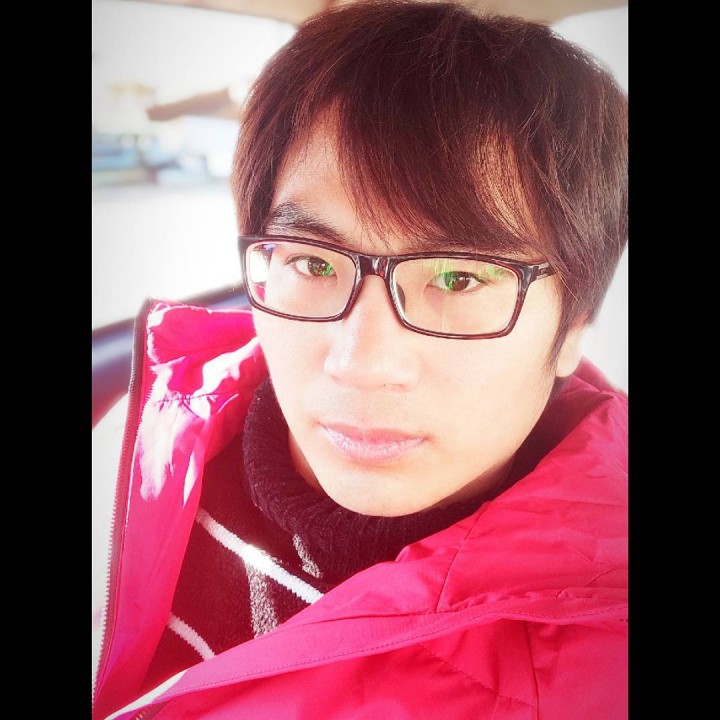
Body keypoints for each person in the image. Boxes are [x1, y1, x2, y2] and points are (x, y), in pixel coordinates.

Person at [92, 1, 628, 718]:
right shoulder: (140, 445)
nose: (361, 363)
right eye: (313, 263)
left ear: (573, 326)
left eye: (457, 279)